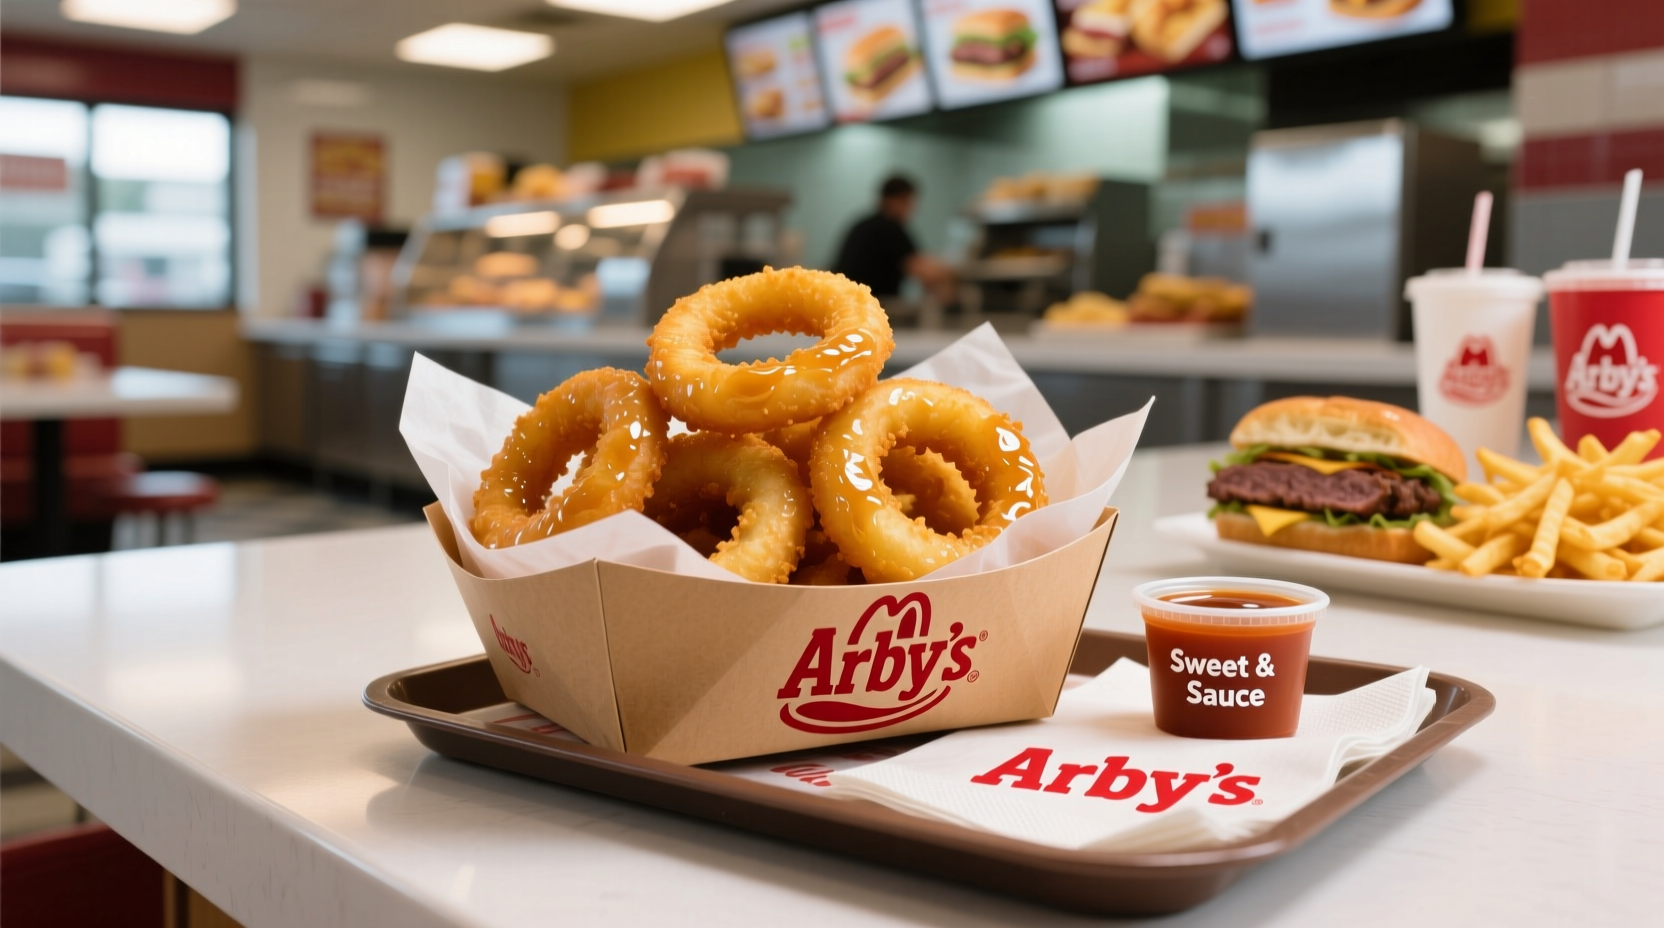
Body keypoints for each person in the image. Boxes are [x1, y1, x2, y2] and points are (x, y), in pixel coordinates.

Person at [833, 175, 955, 302]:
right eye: (909, 203)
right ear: (899, 201)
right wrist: (954, 273)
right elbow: (922, 269)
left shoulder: (864, 225)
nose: (912, 210)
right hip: (868, 305)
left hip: (847, 301)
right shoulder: (888, 229)